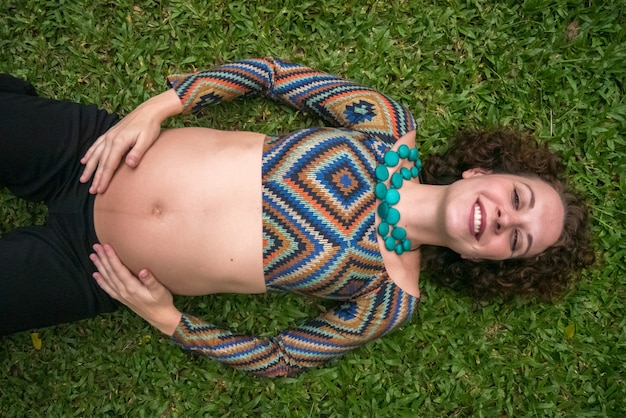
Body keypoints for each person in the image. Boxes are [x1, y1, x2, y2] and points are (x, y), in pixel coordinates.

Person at [0, 58, 593, 377]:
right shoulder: (385, 125)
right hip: (97, 148)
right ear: (482, 173)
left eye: (517, 241)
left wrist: (168, 319)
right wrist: (156, 109)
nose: (503, 222)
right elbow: (272, 76)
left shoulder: (392, 297)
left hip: (91, 270)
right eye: (519, 199)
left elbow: (281, 357)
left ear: (485, 261)